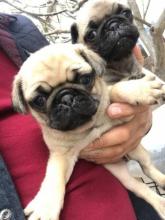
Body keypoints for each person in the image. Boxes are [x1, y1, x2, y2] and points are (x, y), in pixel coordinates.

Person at [0, 13, 160, 220]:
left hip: (129, 203)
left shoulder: (18, 26)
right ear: (22, 102)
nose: (67, 102)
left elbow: (111, 88)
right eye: (40, 101)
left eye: (83, 79)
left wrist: (139, 119)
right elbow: (61, 155)